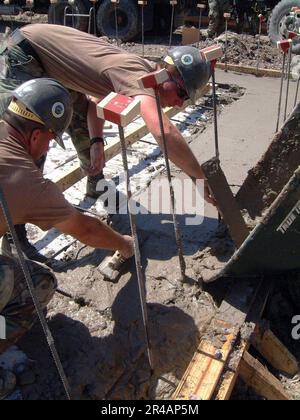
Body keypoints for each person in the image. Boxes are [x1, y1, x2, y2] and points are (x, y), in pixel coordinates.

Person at [0, 24, 215, 260]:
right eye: (182, 95)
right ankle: (14, 233)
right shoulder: (136, 77)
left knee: (76, 112)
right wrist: (199, 178)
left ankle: (95, 180)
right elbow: (164, 131)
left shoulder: (142, 72)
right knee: (30, 134)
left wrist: (97, 142)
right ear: (169, 76)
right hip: (29, 53)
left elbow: (92, 102)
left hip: (54, 62)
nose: (179, 104)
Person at [0, 78, 134, 397]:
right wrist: (125, 245)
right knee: (39, 284)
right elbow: (86, 230)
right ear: (35, 135)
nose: (48, 147)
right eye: (50, 139)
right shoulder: (25, 180)